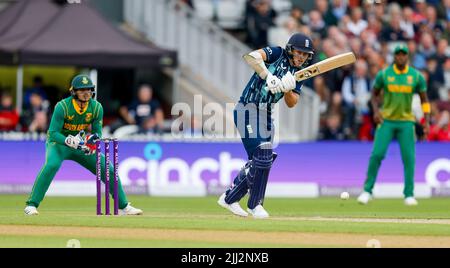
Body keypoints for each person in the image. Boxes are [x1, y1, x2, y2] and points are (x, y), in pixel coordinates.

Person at [217, 33, 314, 218]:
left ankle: (230, 198)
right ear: (290, 49)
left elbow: (292, 103)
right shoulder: (277, 53)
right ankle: (255, 206)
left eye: (305, 54)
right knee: (262, 154)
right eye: (299, 52)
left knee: (264, 159)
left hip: (267, 115)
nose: (302, 57)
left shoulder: (300, 73)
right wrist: (268, 76)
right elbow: (251, 56)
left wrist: (287, 89)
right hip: (248, 108)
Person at [24, 74, 143, 216]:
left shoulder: (97, 107)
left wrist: (91, 141)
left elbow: (97, 133)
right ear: (73, 92)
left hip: (81, 144)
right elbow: (53, 133)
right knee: (52, 165)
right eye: (82, 90)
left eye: (89, 89)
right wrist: (68, 140)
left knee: (108, 168)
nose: (86, 93)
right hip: (59, 144)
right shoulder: (62, 107)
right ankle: (31, 205)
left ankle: (124, 206)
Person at [357, 44, 430, 206]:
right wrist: (375, 111)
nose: (401, 57)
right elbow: (374, 95)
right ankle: (367, 191)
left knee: (409, 159)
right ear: (394, 57)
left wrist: (427, 122)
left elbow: (425, 100)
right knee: (377, 155)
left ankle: (409, 194)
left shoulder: (416, 76)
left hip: (406, 122)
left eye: (404, 54)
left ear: (408, 57)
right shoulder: (384, 75)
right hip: (387, 121)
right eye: (398, 54)